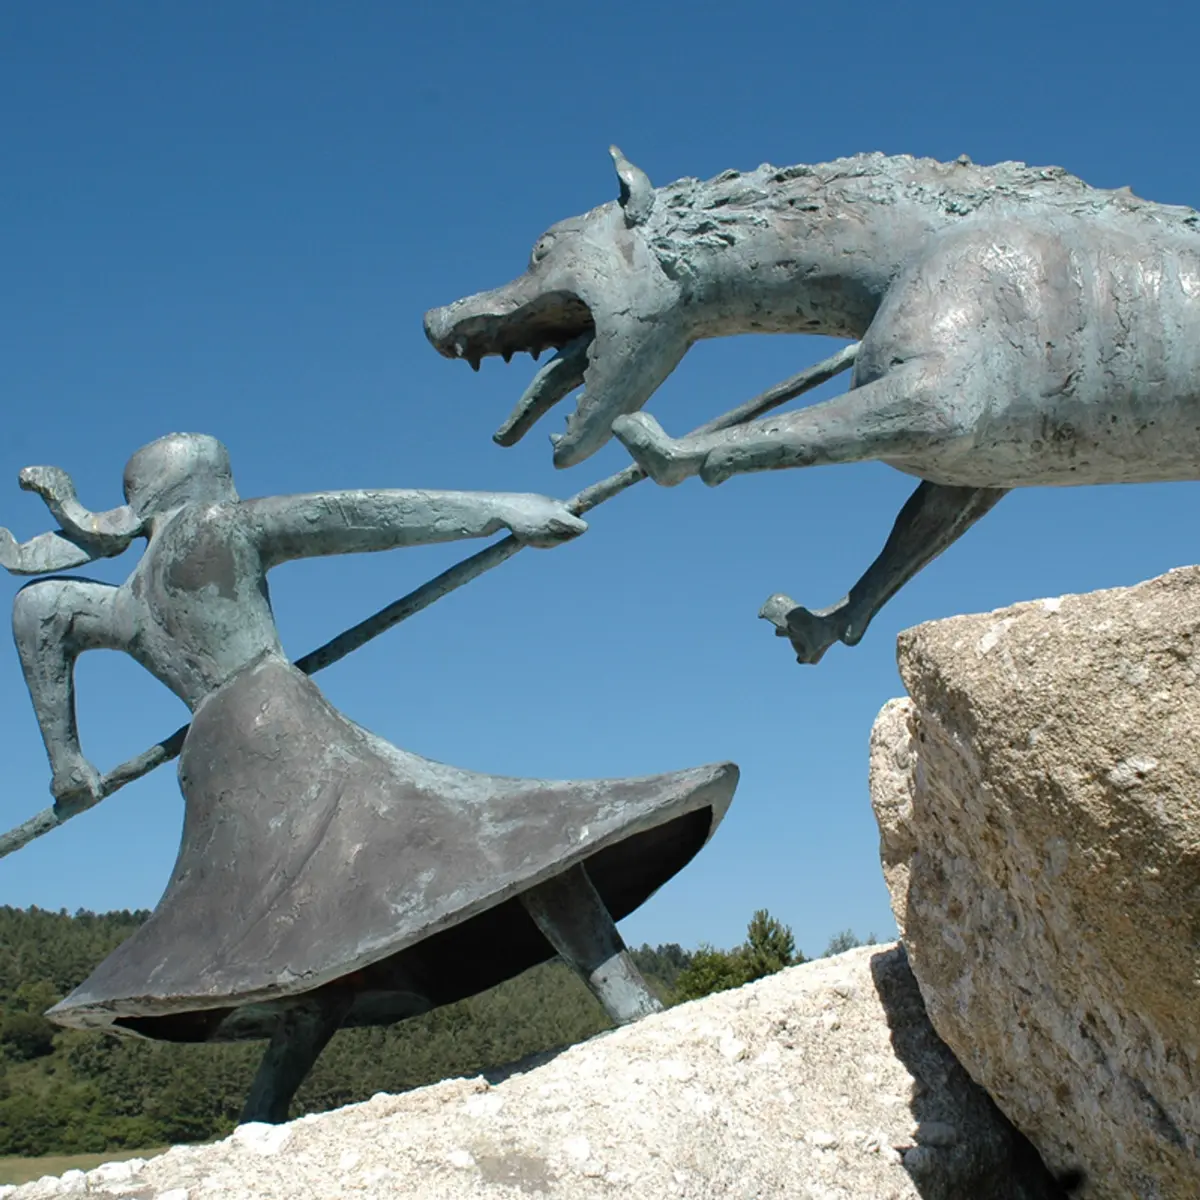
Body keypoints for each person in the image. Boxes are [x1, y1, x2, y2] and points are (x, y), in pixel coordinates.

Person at [3, 433, 738, 1122]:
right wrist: (502, 510)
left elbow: (39, 610)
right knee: (507, 837)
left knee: (295, 927)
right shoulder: (215, 527)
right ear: (200, 485)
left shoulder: (126, 598)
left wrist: (67, 760)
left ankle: (261, 1116)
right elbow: (359, 516)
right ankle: (633, 1008)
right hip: (278, 720)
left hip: (213, 760)